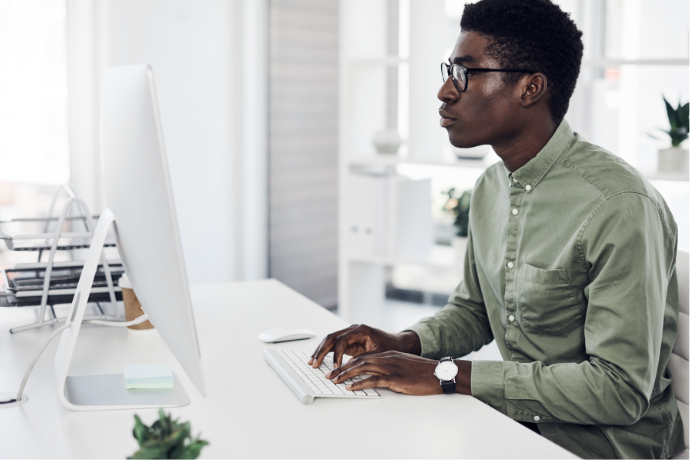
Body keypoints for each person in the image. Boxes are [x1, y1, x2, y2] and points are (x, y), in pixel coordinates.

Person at [308, 0, 686, 458]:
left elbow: (619, 390)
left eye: (465, 73)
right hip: (519, 426)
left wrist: (446, 375)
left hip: (601, 447)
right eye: (449, 70)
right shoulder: (492, 185)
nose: (445, 91)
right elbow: (476, 311)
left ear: (530, 88)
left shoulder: (618, 206)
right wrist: (403, 343)